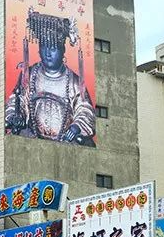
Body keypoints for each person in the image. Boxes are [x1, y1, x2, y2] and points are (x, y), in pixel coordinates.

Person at [5, 8, 96, 145]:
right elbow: (18, 100)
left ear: (63, 50)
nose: (48, 53)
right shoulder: (29, 75)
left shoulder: (73, 81)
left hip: (65, 140)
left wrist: (76, 126)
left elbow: (84, 109)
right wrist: (16, 115)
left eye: (53, 49)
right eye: (44, 47)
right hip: (32, 138)